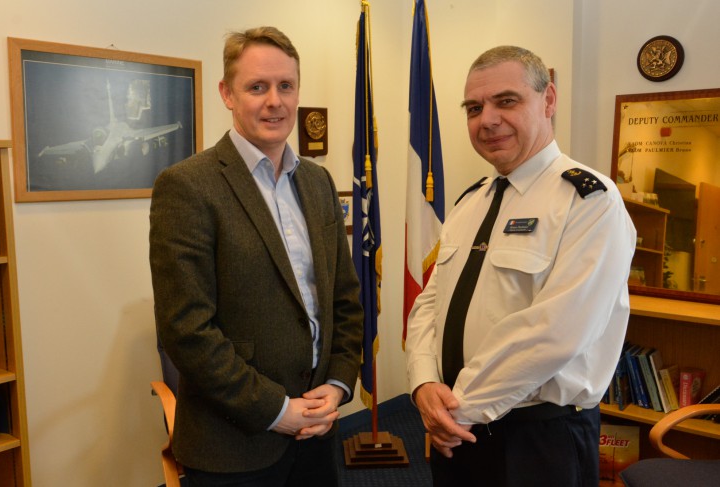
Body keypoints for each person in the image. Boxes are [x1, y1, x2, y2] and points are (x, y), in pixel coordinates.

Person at [405, 45, 636, 486]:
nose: (487, 119)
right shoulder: (470, 202)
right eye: (474, 107)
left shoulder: (590, 202)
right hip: (456, 428)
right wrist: (422, 385)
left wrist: (457, 411)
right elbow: (429, 305)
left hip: (538, 438)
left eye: (506, 101)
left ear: (548, 100)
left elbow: (554, 332)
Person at [149, 26, 363, 486]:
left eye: (286, 86)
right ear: (227, 94)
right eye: (257, 87)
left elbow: (344, 298)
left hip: (318, 433)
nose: (275, 101)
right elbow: (186, 330)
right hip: (233, 447)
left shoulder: (319, 183)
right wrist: (276, 409)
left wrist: (339, 384)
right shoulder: (187, 186)